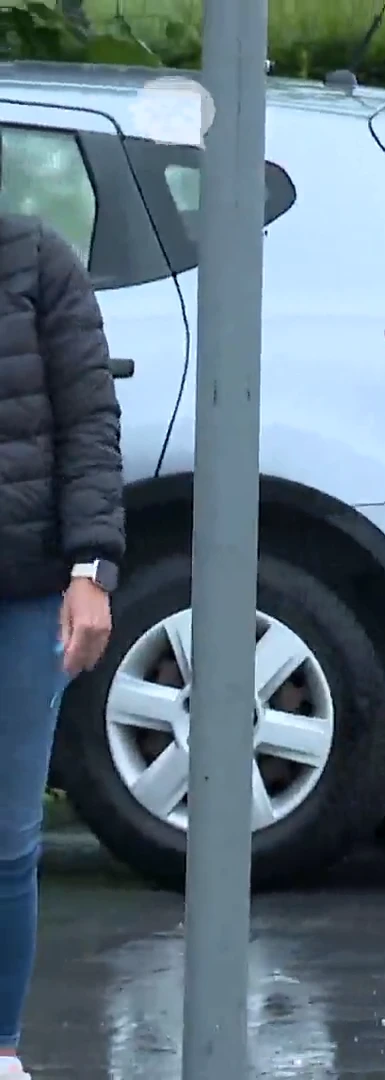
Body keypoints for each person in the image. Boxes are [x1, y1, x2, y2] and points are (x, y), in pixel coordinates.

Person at [0, 211, 123, 1080]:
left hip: (23, 584)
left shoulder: (38, 259)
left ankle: (1, 1047)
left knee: (7, 837)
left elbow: (89, 420)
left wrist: (90, 566)